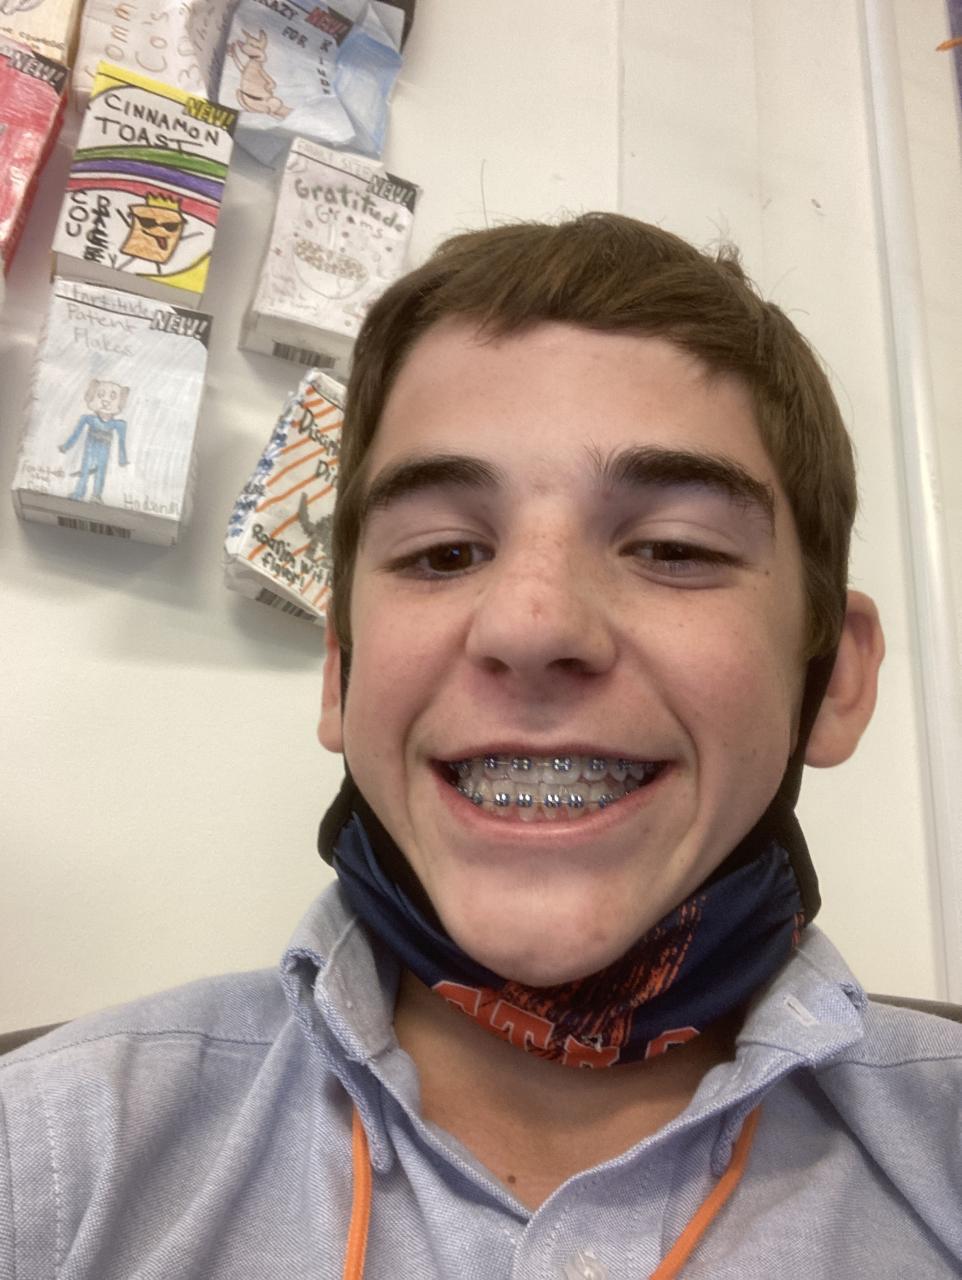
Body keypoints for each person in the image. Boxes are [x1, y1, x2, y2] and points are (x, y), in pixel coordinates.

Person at [2, 214, 960, 1278]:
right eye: (445, 553)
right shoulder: (48, 1155)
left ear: (832, 678)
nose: (531, 624)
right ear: (341, 671)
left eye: (672, 547)